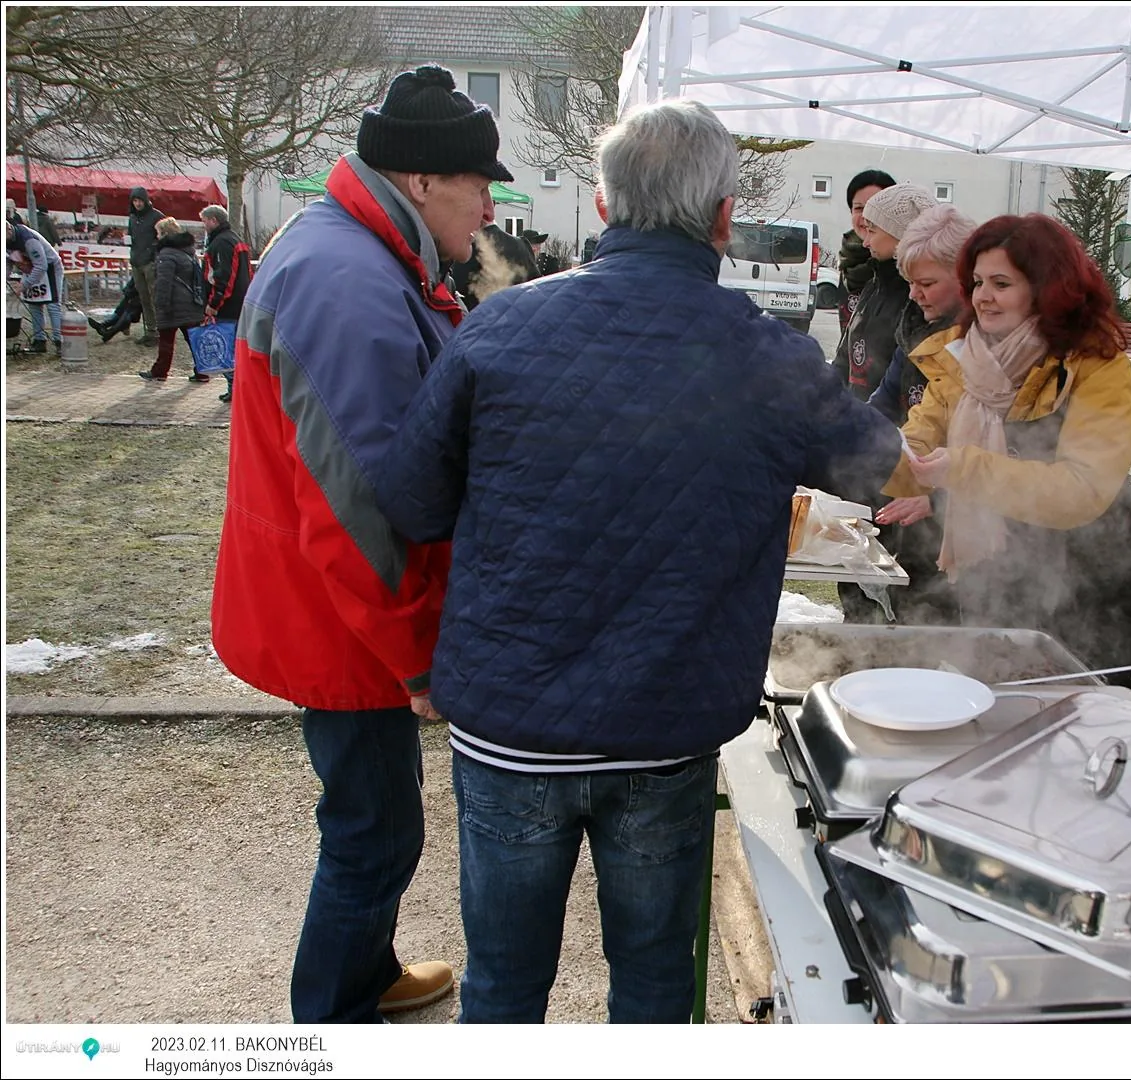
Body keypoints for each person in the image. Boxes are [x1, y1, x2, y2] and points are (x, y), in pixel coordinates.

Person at [374, 98, 900, 1025]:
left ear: (603, 205)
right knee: (655, 983)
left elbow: (410, 504)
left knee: (502, 982)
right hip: (666, 728)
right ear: (724, 219)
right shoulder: (766, 355)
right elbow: (872, 463)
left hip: (511, 722)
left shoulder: (497, 329)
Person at [210, 62, 511, 1024]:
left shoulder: (354, 249)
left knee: (374, 815)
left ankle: (366, 972)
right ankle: (331, 1020)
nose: (490, 201)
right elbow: (358, 510)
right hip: (341, 614)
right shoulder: (345, 279)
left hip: (329, 603)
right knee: (372, 832)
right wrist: (416, 654)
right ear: (422, 182)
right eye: (479, 181)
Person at [876, 213, 1131, 708]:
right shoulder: (963, 356)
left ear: (1046, 288)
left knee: (1095, 719)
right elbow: (921, 434)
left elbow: (1081, 489)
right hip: (996, 564)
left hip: (1091, 567)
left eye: (1001, 283)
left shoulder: (1096, 364)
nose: (982, 297)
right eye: (976, 283)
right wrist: (861, 451)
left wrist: (963, 470)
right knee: (1000, 706)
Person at [865, 205, 977, 627]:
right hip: (926, 513)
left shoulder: (984, 347)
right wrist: (848, 456)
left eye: (927, 283)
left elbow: (1023, 460)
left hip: (969, 534)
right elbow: (898, 411)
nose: (914, 294)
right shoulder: (916, 330)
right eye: (911, 283)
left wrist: (938, 501)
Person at [832, 181, 937, 625]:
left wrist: (940, 495)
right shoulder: (877, 285)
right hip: (894, 456)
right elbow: (886, 390)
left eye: (874, 225)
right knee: (866, 579)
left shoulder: (955, 328)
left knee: (918, 598)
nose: (863, 232)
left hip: (929, 486)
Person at [137, 218, 205, 382]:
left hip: (173, 305)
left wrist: (160, 304)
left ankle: (160, 371)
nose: (157, 237)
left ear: (165, 234)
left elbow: (163, 282)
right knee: (194, 341)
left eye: (159, 233)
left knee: (166, 341)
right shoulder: (189, 252)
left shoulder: (166, 254)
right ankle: (202, 371)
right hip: (191, 304)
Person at [198, 204, 251, 404]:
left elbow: (224, 277)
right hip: (240, 302)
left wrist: (214, 303)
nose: (203, 226)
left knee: (226, 349)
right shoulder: (236, 239)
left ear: (213, 220)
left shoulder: (221, 243)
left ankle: (235, 388)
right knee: (234, 349)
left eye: (205, 221)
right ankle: (237, 388)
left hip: (228, 305)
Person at [835, 170, 895, 334]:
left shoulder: (904, 266)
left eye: (874, 208)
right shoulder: (848, 260)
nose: (866, 216)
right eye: (859, 208)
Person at [6, 217, 65, 354]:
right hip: (30, 267)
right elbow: (8, 262)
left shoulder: (27, 238)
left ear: (9, 230)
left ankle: (59, 342)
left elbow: (42, 265)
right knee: (34, 304)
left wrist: (24, 285)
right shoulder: (6, 241)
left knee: (53, 305)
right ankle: (39, 341)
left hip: (49, 267)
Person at [127, 186, 166, 346]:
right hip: (137, 261)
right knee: (144, 298)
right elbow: (132, 238)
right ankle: (150, 330)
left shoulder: (157, 216)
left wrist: (155, 255)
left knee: (154, 298)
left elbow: (165, 236)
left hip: (150, 262)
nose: (137, 204)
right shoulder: (133, 218)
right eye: (135, 201)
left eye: (139, 200)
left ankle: (160, 331)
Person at [87, 277, 143, 342]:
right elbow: (128, 287)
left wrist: (131, 293)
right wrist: (129, 292)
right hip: (132, 300)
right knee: (125, 306)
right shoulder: (137, 274)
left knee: (131, 308)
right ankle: (104, 327)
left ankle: (107, 331)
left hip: (142, 302)